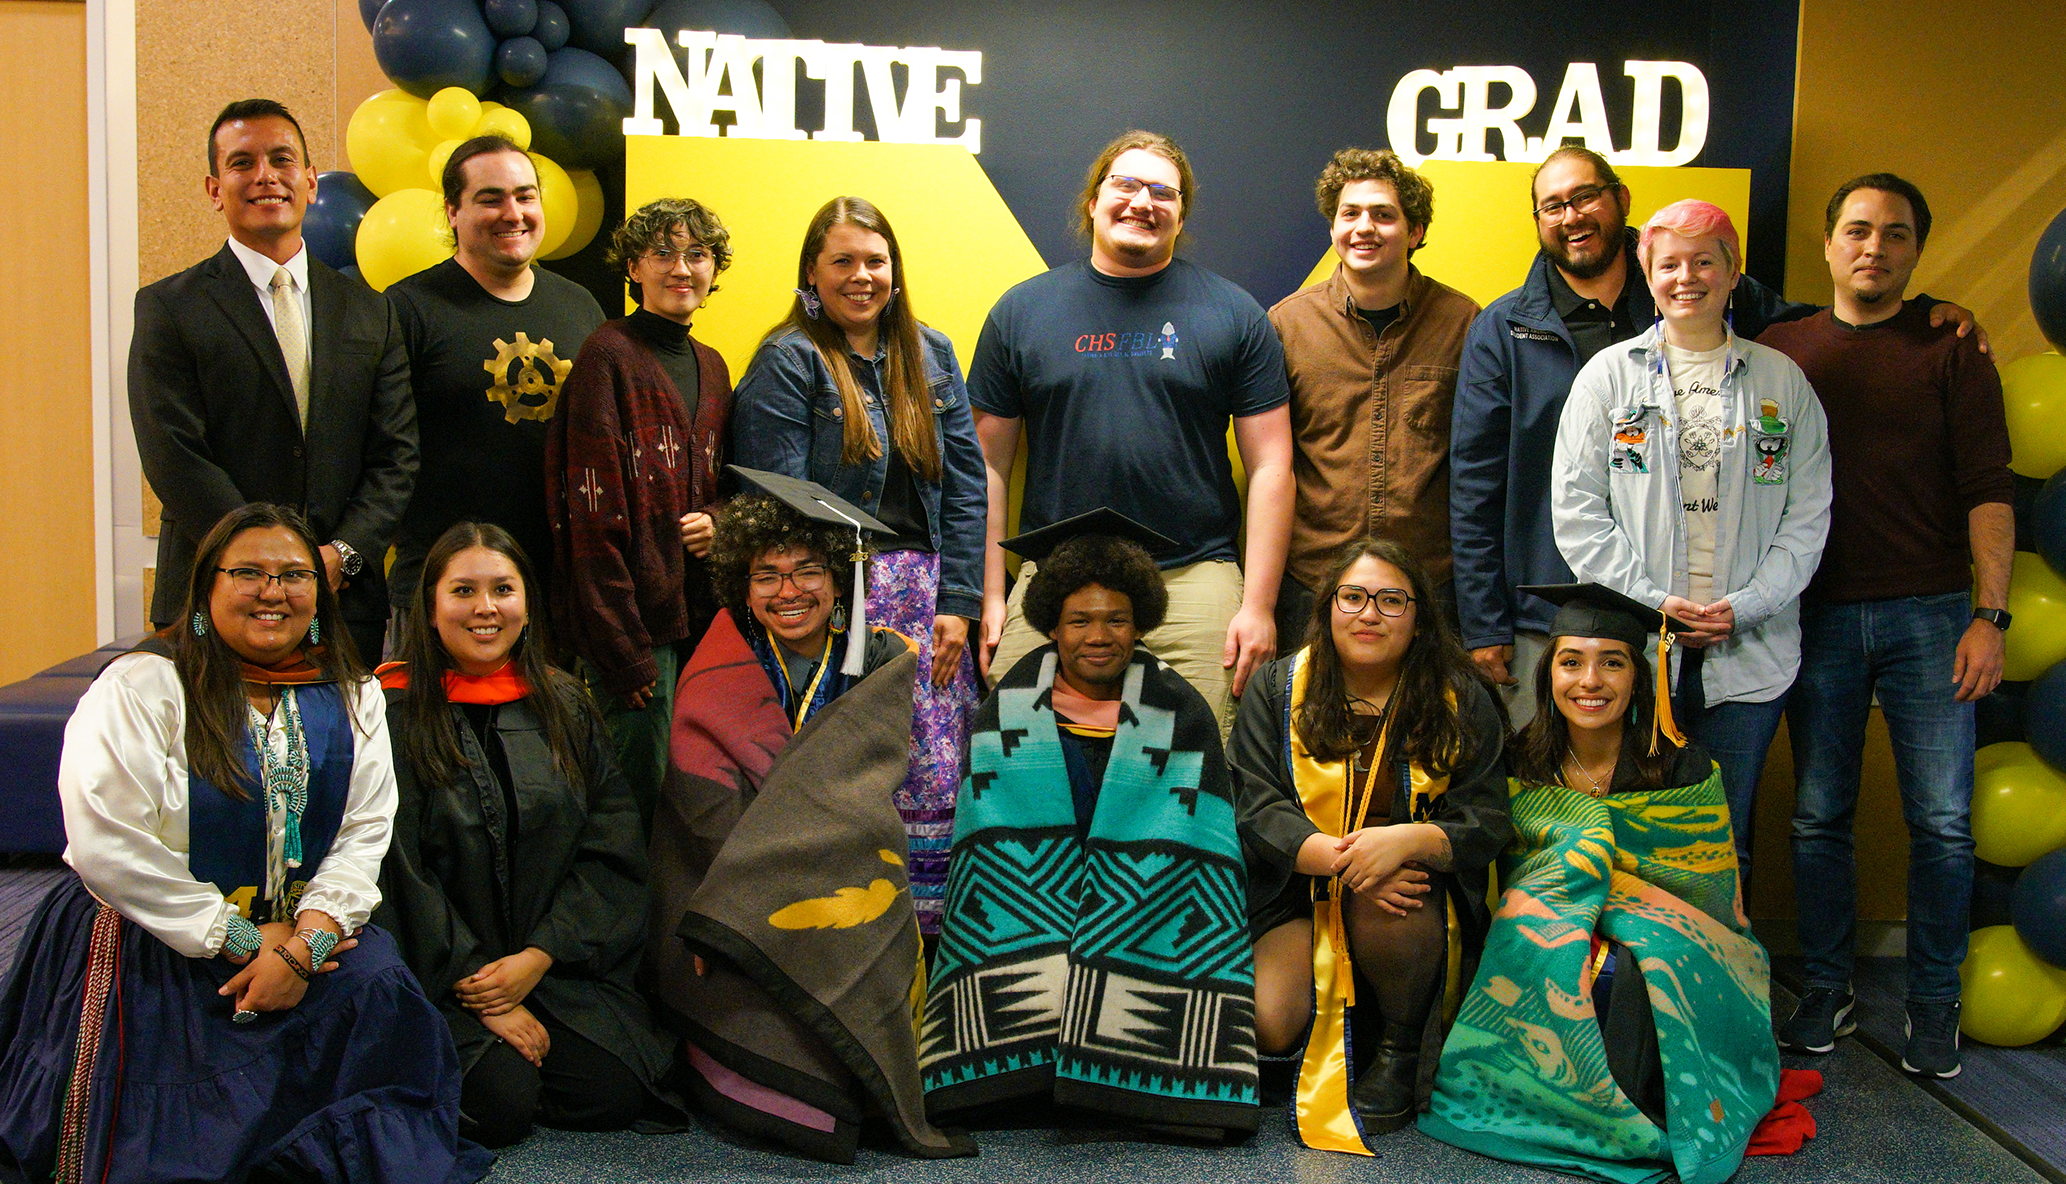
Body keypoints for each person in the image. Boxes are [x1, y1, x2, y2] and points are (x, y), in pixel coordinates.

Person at [0, 503, 487, 1183]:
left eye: (293, 574)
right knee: (164, 1129)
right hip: (157, 930)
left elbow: (363, 832)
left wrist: (308, 942)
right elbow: (105, 841)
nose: (272, 591)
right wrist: (244, 940)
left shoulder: (350, 694)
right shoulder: (144, 686)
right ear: (206, 590)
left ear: (318, 595)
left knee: (380, 993)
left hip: (304, 934)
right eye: (248, 573)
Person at [1449, 145, 1976, 726]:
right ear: (1539, 221)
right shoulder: (1506, 326)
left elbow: (1831, 322)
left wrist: (1919, 311)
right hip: (1546, 611)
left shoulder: (1712, 292)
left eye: (1585, 197)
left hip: (1719, 630)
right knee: (1574, 801)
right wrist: (1484, 622)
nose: (1571, 215)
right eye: (1553, 205)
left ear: (1620, 200)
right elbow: (1475, 483)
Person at [1759, 175, 2013, 1077]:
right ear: (1828, 246)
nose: (1874, 248)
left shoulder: (1952, 349)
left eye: (1896, 235)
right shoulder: (1777, 348)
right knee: (1818, 817)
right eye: (1858, 232)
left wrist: (1990, 615)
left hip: (1934, 617)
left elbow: (1989, 488)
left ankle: (1932, 1002)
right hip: (1814, 615)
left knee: (1942, 822)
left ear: (1916, 252)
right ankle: (1827, 986)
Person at [644, 480, 970, 1163]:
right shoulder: (722, 655)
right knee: (801, 1101)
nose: (788, 592)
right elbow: (703, 803)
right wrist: (721, 910)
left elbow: (866, 779)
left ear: (838, 577)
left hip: (840, 864)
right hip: (737, 880)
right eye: (766, 575)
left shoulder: (878, 657)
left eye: (806, 572)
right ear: (742, 583)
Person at [1422, 583, 1778, 1184]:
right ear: (1548, 676)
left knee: (1645, 962)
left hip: (1673, 929)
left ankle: (1634, 1113)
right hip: (1549, 919)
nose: (1590, 681)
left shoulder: (1682, 767)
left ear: (1640, 678)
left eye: (1612, 662)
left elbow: (1710, 892)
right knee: (1550, 950)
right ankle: (1554, 1106)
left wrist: (1627, 914)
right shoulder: (1519, 761)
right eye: (1571, 662)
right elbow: (1511, 873)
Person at [922, 511, 1260, 1141]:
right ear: (1053, 625)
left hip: (1148, 925)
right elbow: (986, 855)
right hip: (1030, 930)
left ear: (1142, 626)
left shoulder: (1181, 713)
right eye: (1079, 620)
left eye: (1116, 619)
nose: (1098, 635)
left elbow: (1197, 855)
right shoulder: (1008, 711)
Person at [971, 130, 1294, 730]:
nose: (1142, 201)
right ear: (1093, 201)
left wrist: (1259, 606)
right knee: (1017, 754)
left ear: (1179, 215)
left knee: (1201, 774)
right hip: (1057, 576)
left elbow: (1273, 466)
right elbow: (985, 466)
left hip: (1194, 577)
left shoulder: (1235, 314)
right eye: (1125, 184)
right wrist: (991, 595)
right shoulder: (1020, 312)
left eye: (1162, 192)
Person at [1549, 199, 1832, 879]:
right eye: (1669, 262)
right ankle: (1629, 988)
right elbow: (1578, 513)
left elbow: (1808, 513)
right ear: (1647, 274)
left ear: (1734, 274)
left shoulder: (1780, 382)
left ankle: (1712, 984)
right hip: (1639, 660)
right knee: (1628, 846)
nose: (1687, 277)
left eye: (1706, 261)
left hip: (1751, 659)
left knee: (1723, 847)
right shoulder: (1609, 379)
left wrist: (1750, 604)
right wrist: (1653, 604)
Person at [729, 196, 987, 935]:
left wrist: (959, 603)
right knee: (850, 773)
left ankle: (931, 944)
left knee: (938, 775)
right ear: (812, 271)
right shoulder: (789, 359)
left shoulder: (931, 353)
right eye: (843, 260)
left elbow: (966, 488)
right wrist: (833, 614)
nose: (862, 275)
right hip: (841, 599)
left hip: (932, 597)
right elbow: (779, 508)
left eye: (875, 260)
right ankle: (856, 937)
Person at [376, 521, 676, 1149]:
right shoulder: (392, 713)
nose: (485, 608)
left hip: (551, 968)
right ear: (430, 609)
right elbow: (396, 868)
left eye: (503, 589)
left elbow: (609, 845)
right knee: (501, 1109)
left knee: (612, 1092)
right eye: (463, 591)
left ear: (526, 604)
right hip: (442, 972)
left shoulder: (564, 705)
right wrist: (484, 983)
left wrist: (538, 958)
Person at [1234, 536, 1510, 1152]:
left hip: (1406, 894)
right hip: (1299, 886)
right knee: (1271, 1024)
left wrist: (1411, 838)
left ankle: (1400, 1051)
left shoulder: (1461, 695)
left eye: (1392, 600)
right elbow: (1253, 800)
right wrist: (1339, 858)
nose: (1369, 614)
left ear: (1419, 618)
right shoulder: (1278, 688)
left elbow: (1488, 816)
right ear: (1328, 606)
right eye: (1352, 597)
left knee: (1388, 884)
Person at [130, 98, 416, 663]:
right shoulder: (169, 307)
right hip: (213, 594)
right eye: (242, 163)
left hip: (340, 598)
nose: (265, 176)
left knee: (335, 750)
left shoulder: (371, 311)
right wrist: (260, 566)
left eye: (282, 160)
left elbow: (397, 458)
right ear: (215, 189)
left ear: (309, 182)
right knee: (221, 753)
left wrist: (339, 555)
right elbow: (173, 453)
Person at [546, 196, 734, 831]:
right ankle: (621, 933)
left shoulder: (714, 365)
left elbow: (723, 483)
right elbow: (585, 513)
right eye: (663, 254)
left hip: (698, 623)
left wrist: (720, 522)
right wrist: (619, 649)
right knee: (630, 810)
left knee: (688, 802)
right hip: (632, 633)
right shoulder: (607, 356)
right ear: (634, 267)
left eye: (697, 255)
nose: (681, 268)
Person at [385, 135, 605, 619]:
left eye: (526, 196)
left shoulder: (581, 307)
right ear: (452, 212)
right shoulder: (407, 311)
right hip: (443, 592)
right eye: (491, 199)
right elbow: (377, 452)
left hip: (554, 590)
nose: (513, 213)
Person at [1269, 150, 1480, 646]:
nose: (1364, 227)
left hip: (1430, 585)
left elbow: (1481, 465)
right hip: (1315, 583)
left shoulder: (1464, 322)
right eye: (1350, 213)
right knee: (1308, 720)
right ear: (1333, 227)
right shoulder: (1287, 324)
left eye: (1384, 215)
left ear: (1416, 232)